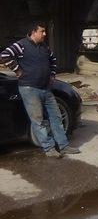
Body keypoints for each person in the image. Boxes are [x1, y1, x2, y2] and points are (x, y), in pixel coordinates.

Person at [0, 21, 81, 158]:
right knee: (38, 120)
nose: (45, 34)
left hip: (45, 89)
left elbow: (53, 60)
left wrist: (53, 75)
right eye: (42, 31)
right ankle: (49, 148)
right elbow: (4, 56)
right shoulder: (21, 45)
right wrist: (18, 70)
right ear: (33, 32)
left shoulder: (44, 47)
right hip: (29, 89)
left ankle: (63, 145)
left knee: (55, 117)